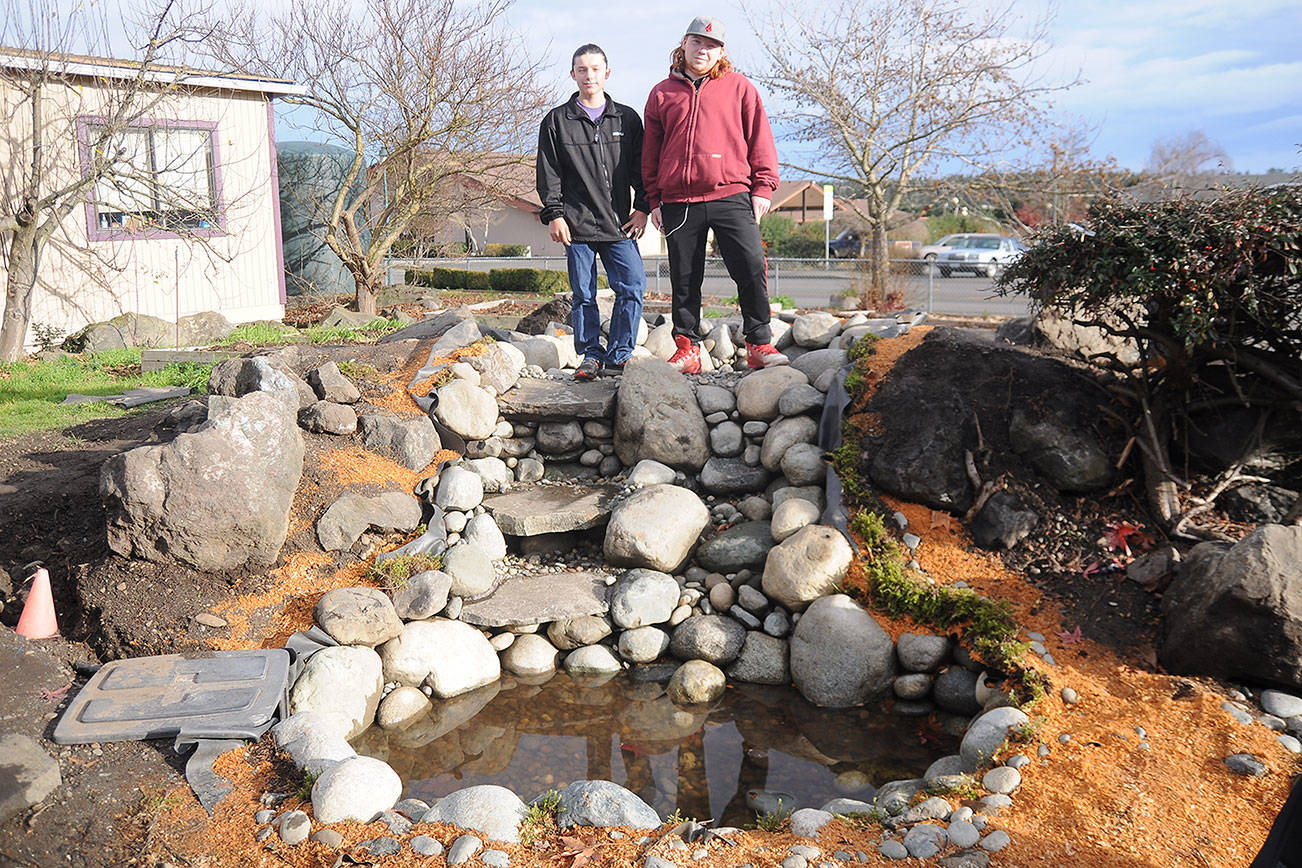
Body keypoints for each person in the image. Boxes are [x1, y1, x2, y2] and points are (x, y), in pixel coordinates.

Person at [642, 15, 787, 373]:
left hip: (732, 194)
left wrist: (763, 186)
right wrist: (653, 199)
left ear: (721, 52)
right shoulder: (662, 93)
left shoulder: (739, 87)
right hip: (679, 200)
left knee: (752, 267)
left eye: (711, 45)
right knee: (684, 277)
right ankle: (687, 347)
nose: (703, 50)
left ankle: (758, 343)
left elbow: (760, 139)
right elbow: (650, 152)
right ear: (684, 44)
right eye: (697, 42)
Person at [536, 43, 649, 380]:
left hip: (620, 226)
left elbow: (641, 170)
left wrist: (643, 207)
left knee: (632, 286)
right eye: (582, 69)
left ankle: (618, 356)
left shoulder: (627, 119)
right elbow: (548, 172)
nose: (589, 75)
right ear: (573, 74)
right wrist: (554, 214)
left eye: (595, 69)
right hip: (577, 226)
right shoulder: (557, 121)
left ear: (607, 73)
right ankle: (591, 356)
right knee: (583, 295)